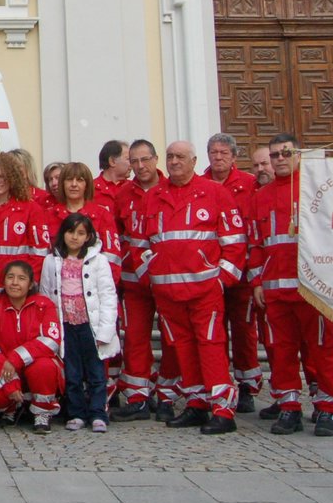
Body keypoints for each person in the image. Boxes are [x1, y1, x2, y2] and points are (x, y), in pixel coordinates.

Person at [139, 140, 245, 434]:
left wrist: (221, 281)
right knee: (182, 349)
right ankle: (197, 404)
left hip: (204, 291)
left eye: (180, 157)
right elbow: (140, 244)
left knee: (211, 348)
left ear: (194, 161)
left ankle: (223, 410)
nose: (174, 162)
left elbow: (235, 243)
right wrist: (153, 276)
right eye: (170, 156)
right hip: (168, 294)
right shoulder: (154, 196)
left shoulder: (215, 193)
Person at [251, 134, 333, 436]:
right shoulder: (260, 197)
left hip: (312, 289)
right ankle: (289, 406)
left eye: (285, 154)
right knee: (281, 352)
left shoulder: (317, 191)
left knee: (322, 351)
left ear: (298, 155)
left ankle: (328, 408)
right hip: (276, 290)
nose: (279, 159)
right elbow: (256, 243)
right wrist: (256, 281)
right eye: (275, 154)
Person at [109, 139, 179, 422]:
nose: (139, 166)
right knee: (135, 339)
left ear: (156, 159)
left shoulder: (170, 191)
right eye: (134, 161)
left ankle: (167, 395)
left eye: (145, 160)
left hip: (167, 280)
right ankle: (138, 397)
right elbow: (117, 235)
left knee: (171, 340)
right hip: (134, 283)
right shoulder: (124, 194)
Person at [40, 215, 118, 433]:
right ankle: (75, 412)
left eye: (81, 233)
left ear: (88, 237)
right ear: (62, 234)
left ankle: (98, 412)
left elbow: (108, 295)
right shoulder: (51, 261)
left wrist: (106, 329)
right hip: (65, 324)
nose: (75, 237)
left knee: (96, 372)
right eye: (71, 232)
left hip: (90, 324)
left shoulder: (98, 261)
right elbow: (46, 295)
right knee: (72, 372)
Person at [205, 133, 264, 413]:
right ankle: (213, 385)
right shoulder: (199, 184)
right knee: (212, 335)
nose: (218, 158)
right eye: (213, 153)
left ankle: (246, 386)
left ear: (234, 156)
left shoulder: (249, 185)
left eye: (223, 153)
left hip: (240, 274)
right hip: (206, 275)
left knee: (243, 331)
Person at [0, 260, 64, 434]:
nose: (15, 283)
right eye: (10, 277)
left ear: (31, 284)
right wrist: (10, 383)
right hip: (5, 369)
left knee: (44, 366)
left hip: (32, 367)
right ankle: (11, 408)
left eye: (21, 278)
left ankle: (42, 412)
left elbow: (51, 341)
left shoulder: (43, 305)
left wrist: (16, 358)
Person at [0, 151, 53, 283]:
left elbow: (40, 254)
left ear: (13, 177)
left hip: (18, 287)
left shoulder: (31, 209)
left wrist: (28, 283)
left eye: (3, 176)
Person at [92, 140, 130, 211]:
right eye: (128, 159)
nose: (132, 164)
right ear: (112, 161)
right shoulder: (90, 190)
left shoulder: (133, 189)